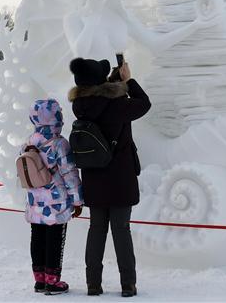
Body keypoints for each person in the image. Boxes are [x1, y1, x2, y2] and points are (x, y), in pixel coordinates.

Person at [69, 57, 151, 298]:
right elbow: (144, 104)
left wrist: (113, 81)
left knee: (96, 229)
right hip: (120, 178)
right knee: (121, 230)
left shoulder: (80, 105)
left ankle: (93, 284)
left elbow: (101, 96)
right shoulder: (117, 106)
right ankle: (128, 284)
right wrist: (128, 80)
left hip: (94, 178)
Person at [23, 99, 84, 295]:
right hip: (56, 204)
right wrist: (77, 200)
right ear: (55, 118)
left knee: (37, 237)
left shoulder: (28, 143)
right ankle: (53, 281)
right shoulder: (59, 144)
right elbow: (70, 173)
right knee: (55, 239)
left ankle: (39, 280)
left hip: (34, 203)